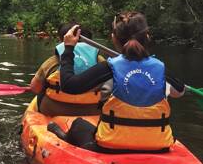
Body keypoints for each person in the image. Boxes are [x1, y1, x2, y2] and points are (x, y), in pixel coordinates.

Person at [58, 11, 185, 152]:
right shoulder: (160, 68)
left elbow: (69, 86)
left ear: (114, 38)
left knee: (78, 125)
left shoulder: (109, 68)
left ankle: (66, 141)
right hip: (158, 147)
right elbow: (179, 92)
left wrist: (68, 48)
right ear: (147, 37)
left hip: (112, 147)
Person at [30, 21, 104, 118]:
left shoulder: (52, 62)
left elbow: (35, 88)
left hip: (53, 110)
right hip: (92, 111)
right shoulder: (101, 61)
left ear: (62, 40)